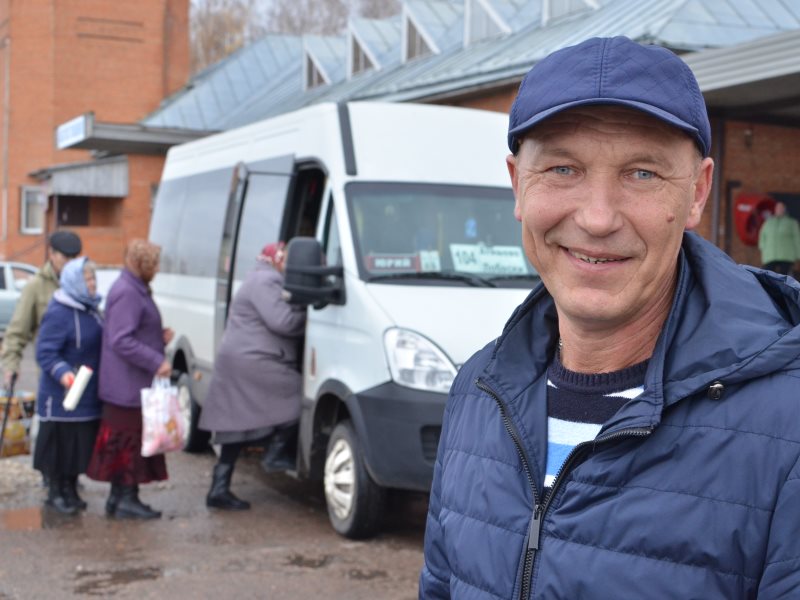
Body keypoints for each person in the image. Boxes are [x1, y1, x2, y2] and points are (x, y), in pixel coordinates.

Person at [419, 36, 800, 599]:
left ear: (697, 193)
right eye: (563, 168)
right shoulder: (477, 393)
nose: (597, 218)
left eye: (642, 173)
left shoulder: (787, 424)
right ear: (517, 183)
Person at [199, 242, 306, 511]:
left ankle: (218, 488)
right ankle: (276, 453)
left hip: (239, 360)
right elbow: (284, 322)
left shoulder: (259, 277)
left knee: (235, 427)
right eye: (285, 260)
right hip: (253, 361)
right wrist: (309, 309)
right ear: (277, 260)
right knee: (297, 397)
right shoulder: (267, 280)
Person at [86, 239, 173, 520]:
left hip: (128, 384)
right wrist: (156, 360)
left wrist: (156, 339)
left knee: (126, 442)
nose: (157, 269)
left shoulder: (134, 288)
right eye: (154, 263)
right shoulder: (128, 292)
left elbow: (129, 333)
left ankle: (119, 498)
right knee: (128, 444)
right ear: (140, 263)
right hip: (126, 386)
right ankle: (125, 499)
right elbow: (121, 339)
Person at [33, 257, 102, 515]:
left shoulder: (91, 309)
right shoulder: (59, 311)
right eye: (87, 279)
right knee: (60, 447)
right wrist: (63, 373)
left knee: (78, 445)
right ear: (74, 282)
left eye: (93, 278)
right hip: (63, 393)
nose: (92, 283)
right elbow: (45, 352)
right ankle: (55, 492)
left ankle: (71, 489)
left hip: (87, 393)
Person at [2, 230, 82, 386]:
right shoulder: (36, 286)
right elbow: (17, 331)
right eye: (65, 257)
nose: (70, 263)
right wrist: (11, 365)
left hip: (82, 373)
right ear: (51, 254)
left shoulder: (83, 286)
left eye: (74, 258)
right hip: (51, 373)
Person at [758, 201, 800, 276]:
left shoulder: (791, 222)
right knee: (768, 275)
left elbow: (797, 239)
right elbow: (762, 236)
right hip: (770, 255)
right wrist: (763, 248)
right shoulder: (768, 222)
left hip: (786, 255)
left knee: (784, 277)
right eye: (778, 208)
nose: (779, 209)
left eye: (781, 208)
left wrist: (798, 255)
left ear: (784, 209)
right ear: (775, 209)